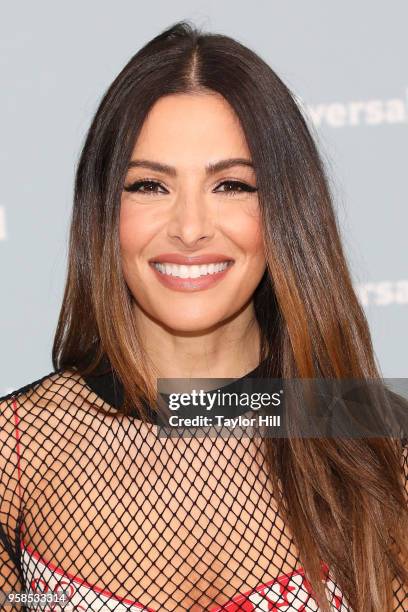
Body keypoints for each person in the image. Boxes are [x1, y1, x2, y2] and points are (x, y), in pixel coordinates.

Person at [1, 20, 407, 612]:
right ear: (103, 213)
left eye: (231, 185)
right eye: (149, 186)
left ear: (285, 211)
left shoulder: (379, 445)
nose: (190, 228)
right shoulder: (17, 451)